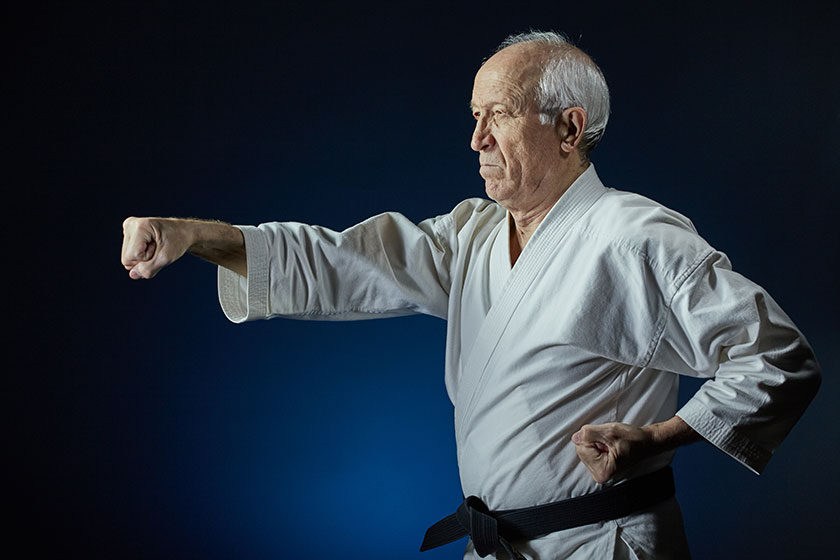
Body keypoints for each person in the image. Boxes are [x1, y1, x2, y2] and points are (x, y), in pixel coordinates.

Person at [121, 31, 821, 559]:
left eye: (500, 115)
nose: (476, 137)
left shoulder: (634, 236)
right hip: (501, 545)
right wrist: (192, 234)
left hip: (601, 545)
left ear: (569, 129)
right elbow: (346, 261)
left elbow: (778, 359)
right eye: (474, 115)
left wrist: (657, 438)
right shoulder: (477, 235)